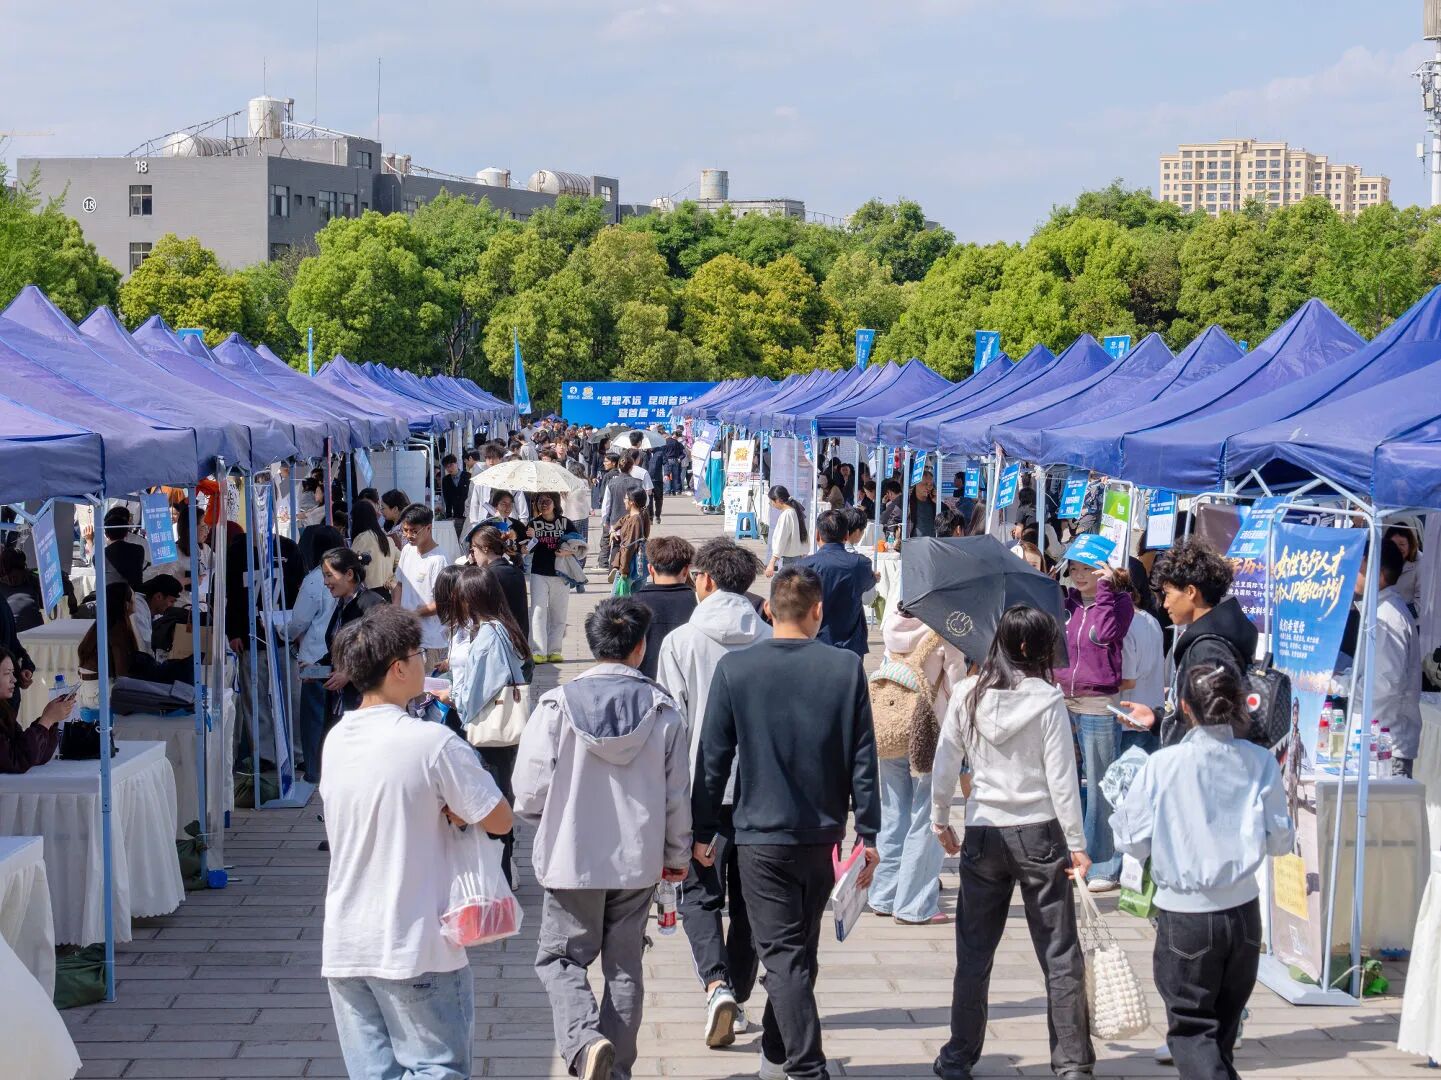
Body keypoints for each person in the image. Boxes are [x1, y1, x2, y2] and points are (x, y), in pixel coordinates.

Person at [692, 567, 878, 1080]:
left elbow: (712, 758)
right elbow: (863, 757)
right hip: (822, 836)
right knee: (799, 954)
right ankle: (779, 1059)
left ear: (769, 610)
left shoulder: (736, 669)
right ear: (818, 610)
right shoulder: (845, 668)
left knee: (786, 957)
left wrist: (702, 830)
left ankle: (803, 1066)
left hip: (760, 835)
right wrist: (869, 832)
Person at [320, 606, 512, 1080]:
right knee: (437, 1068)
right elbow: (500, 819)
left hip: (347, 944)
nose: (425, 662)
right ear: (398, 669)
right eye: (418, 654)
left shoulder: (337, 739)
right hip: (415, 942)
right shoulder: (432, 742)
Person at [514, 597, 692, 1080]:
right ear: (640, 647)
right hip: (638, 862)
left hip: (571, 858)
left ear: (594, 645)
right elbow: (677, 796)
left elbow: (527, 791)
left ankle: (584, 1041)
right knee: (625, 966)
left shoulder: (556, 705)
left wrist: (549, 820)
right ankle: (615, 1070)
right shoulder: (663, 711)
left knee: (560, 959)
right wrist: (677, 855)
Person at [930, 605, 1094, 1080]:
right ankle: (1072, 1063)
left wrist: (940, 818)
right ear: (1033, 648)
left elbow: (946, 761)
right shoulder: (1047, 700)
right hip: (1039, 829)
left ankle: (958, 1055)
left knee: (974, 953)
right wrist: (1077, 841)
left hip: (983, 829)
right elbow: (1062, 778)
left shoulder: (968, 693)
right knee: (1059, 953)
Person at [1113, 663, 1294, 1079]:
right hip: (1243, 913)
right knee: (1221, 1032)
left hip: (1185, 915)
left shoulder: (1163, 765)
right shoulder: (1260, 761)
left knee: (1193, 1030)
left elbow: (1131, 839)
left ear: (1184, 706)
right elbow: (1280, 841)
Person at [655, 538, 770, 1048]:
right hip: (761, 789)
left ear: (703, 580)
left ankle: (716, 985)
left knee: (700, 892)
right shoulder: (770, 638)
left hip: (699, 786)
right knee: (751, 899)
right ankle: (738, 994)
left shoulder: (681, 642)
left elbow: (672, 722)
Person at [871, 605, 967, 926]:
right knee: (927, 814)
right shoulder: (944, 633)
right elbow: (957, 688)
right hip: (928, 733)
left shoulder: (892, 626)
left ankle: (884, 895)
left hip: (892, 728)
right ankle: (914, 904)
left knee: (893, 812)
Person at [435, 565, 529, 883]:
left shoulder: (488, 636)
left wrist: (451, 696)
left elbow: (474, 695)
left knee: (489, 802)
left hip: (488, 734)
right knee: (500, 797)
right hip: (503, 733)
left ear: (472, 598)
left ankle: (497, 880)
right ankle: (501, 875)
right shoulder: (503, 627)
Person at [1053, 555, 1133, 892]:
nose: (1080, 575)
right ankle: (1070, 855)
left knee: (1101, 783)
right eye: (1074, 569)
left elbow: (1106, 633)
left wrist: (1105, 592)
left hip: (1098, 703)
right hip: (1061, 700)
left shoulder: (1118, 603)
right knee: (1065, 782)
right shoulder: (1065, 604)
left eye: (1088, 569)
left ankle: (1103, 863)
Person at [1145, 538, 1258, 748]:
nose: (1165, 604)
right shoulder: (1214, 637)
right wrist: (1157, 719)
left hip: (1202, 762)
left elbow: (1213, 723)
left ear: (1190, 591)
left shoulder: (1208, 649)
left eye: (1167, 594)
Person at [1357, 540, 1423, 777]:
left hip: (1388, 746)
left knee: (1385, 801)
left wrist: (1344, 686)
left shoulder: (1387, 616)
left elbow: (1384, 684)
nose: (1355, 572)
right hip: (1379, 741)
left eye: (1360, 566)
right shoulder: (1381, 610)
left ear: (1378, 573)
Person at [282, 527, 342, 784]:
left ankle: (315, 771)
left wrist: (283, 632)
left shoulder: (315, 579)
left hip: (314, 657)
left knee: (314, 719)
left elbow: (298, 621)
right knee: (334, 719)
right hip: (338, 658)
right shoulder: (345, 575)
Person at [77, 581, 192, 686]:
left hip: (97, 686)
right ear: (125, 604)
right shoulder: (117, 630)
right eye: (133, 600)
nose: (135, 603)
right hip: (103, 690)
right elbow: (122, 673)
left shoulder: (108, 624)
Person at [799, 509, 878, 659]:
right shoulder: (861, 564)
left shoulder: (802, 566)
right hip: (850, 646)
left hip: (814, 643)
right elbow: (869, 594)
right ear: (846, 535)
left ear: (817, 535)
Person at [320, 548, 389, 717]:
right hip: (340, 701)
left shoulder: (372, 603)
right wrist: (317, 667)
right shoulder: (342, 604)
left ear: (349, 574)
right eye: (324, 576)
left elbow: (383, 650)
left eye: (329, 575)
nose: (325, 582)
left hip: (366, 703)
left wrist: (350, 674)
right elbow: (338, 650)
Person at [393, 504, 451, 670]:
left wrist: (413, 614)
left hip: (430, 640)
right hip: (407, 636)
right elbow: (399, 583)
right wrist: (396, 611)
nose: (408, 535)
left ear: (428, 528)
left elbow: (442, 603)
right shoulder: (407, 550)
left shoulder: (439, 560)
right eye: (405, 530)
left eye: (414, 531)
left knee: (427, 685)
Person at [632, 537, 696, 681]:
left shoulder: (632, 604)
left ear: (650, 569)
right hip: (689, 686)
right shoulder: (700, 604)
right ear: (686, 570)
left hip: (645, 686)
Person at [1118, 569, 1165, 756]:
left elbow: (1127, 679)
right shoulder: (1151, 620)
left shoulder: (1123, 626)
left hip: (1128, 721)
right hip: (1152, 717)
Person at [0, 646, 66, 774]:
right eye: (7, 673)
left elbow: (33, 755)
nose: (14, 679)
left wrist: (49, 721)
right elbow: (17, 760)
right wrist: (46, 720)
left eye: (13, 673)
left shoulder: (5, 711)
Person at [527, 493, 574, 665]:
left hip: (561, 574)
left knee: (559, 613)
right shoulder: (533, 523)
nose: (544, 504)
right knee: (538, 612)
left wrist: (568, 552)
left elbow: (579, 544)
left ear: (555, 503)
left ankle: (555, 650)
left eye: (548, 501)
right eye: (540, 501)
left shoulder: (566, 523)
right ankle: (538, 651)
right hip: (539, 573)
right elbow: (526, 550)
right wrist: (532, 538)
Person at [350, 500, 398, 596]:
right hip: (387, 593)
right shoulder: (388, 540)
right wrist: (393, 579)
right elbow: (403, 562)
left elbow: (350, 563)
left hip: (368, 594)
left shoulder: (361, 539)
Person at [129, 574, 183, 656]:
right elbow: (146, 644)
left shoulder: (157, 613)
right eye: (171, 601)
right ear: (158, 596)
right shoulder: (136, 608)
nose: (172, 606)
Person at [610, 489, 651, 588]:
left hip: (630, 567)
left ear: (632, 502)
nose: (624, 500)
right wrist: (613, 529)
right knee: (637, 597)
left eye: (625, 498)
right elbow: (623, 520)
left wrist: (623, 571)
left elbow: (629, 547)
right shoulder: (639, 515)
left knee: (616, 597)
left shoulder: (635, 520)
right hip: (639, 566)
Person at [764, 486, 808, 578]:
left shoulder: (787, 514)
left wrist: (772, 562)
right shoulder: (794, 511)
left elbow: (781, 538)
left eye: (772, 501)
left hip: (788, 559)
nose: (771, 504)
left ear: (778, 500)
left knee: (785, 584)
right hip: (797, 557)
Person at [0, 548, 43, 633]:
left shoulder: (33, 580)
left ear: (23, 571)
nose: (11, 581)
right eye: (6, 578)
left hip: (35, 633)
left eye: (15, 577)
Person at [1385, 524, 1423, 607]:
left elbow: (1421, 601)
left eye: (1402, 544)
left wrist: (1401, 612)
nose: (1397, 549)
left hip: (1409, 613)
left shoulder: (1421, 563)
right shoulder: (1382, 561)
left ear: (1410, 545)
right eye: (1393, 544)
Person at [439, 453, 470, 530]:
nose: (449, 468)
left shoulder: (468, 476)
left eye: (451, 465)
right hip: (456, 515)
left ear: (456, 463)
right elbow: (447, 499)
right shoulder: (446, 480)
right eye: (447, 467)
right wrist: (449, 516)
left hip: (468, 513)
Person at [908, 472, 938, 538]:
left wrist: (937, 502)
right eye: (925, 484)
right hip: (913, 541)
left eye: (931, 485)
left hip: (932, 541)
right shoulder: (907, 502)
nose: (928, 488)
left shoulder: (934, 502)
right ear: (916, 484)